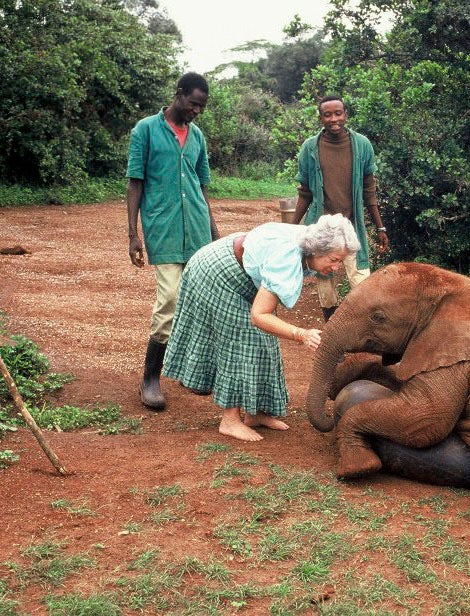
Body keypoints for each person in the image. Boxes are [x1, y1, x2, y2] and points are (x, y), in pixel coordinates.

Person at [162, 214, 360, 442]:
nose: (336, 268)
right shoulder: (287, 259)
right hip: (218, 273)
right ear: (317, 250)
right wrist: (301, 334)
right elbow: (259, 316)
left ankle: (256, 414)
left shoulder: (312, 241)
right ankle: (230, 420)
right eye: (334, 260)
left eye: (340, 262)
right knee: (239, 341)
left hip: (242, 268)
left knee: (265, 341)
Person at [126, 72, 219, 411]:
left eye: (202, 106)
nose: (197, 110)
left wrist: (213, 230)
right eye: (194, 103)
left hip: (196, 229)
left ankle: (192, 374)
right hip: (162, 229)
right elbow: (135, 182)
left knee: (199, 301)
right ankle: (150, 378)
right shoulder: (146, 130)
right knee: (169, 300)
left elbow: (201, 186)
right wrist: (133, 233)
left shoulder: (197, 137)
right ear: (178, 95)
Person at [292, 95, 389, 322]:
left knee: (362, 282)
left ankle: (364, 338)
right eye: (327, 114)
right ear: (320, 118)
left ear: (345, 115)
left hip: (351, 227)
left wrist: (380, 227)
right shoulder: (310, 148)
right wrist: (291, 228)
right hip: (321, 228)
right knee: (325, 285)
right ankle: (333, 336)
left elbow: (369, 190)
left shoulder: (362, 145)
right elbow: (305, 192)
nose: (333, 119)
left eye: (338, 113)